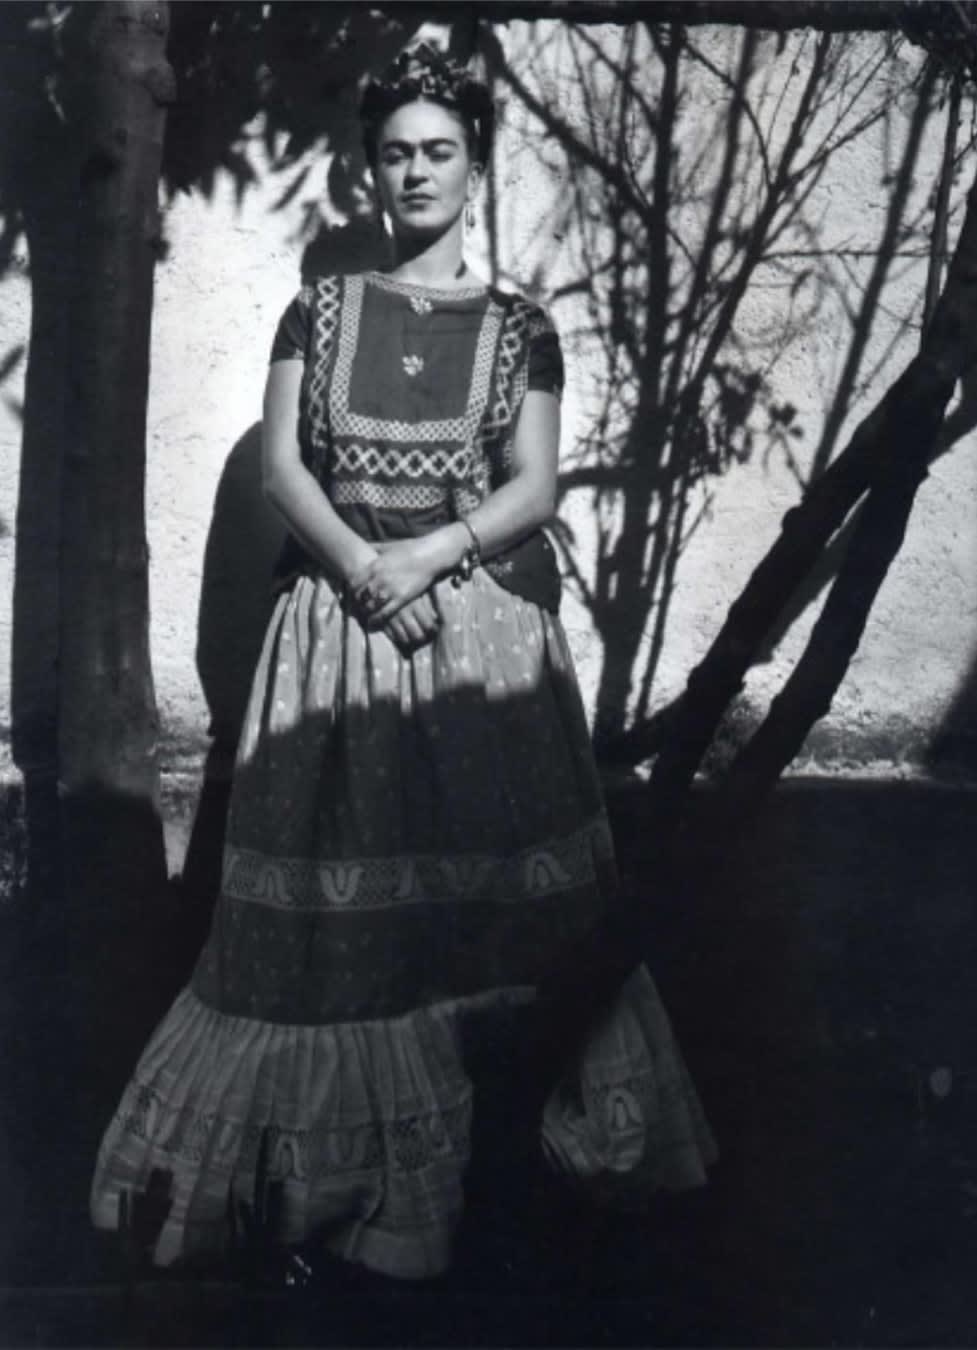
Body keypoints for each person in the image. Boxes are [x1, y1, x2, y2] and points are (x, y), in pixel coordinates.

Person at [90, 43, 716, 1283]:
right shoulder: (315, 314)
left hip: (475, 635)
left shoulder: (520, 328)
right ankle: (333, 1190)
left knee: (482, 926)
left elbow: (531, 487)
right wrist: (363, 571)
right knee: (331, 943)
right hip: (335, 632)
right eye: (396, 154)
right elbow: (283, 469)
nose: (416, 172)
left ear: (473, 172)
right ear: (365, 173)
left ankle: (500, 1171)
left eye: (439, 152)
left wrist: (428, 555)